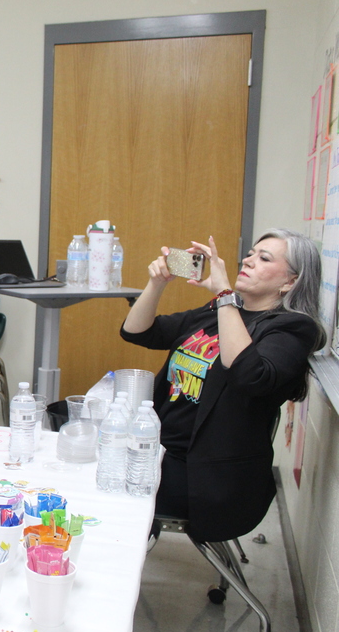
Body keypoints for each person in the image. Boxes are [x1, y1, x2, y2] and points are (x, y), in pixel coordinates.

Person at [121, 229, 325, 543]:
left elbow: (250, 375)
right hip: (158, 451)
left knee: (99, 484)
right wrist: (156, 284)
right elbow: (137, 332)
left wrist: (224, 296)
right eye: (252, 253)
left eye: (264, 258)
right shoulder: (221, 310)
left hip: (206, 478)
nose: (249, 260)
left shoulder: (293, 327)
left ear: (290, 282)